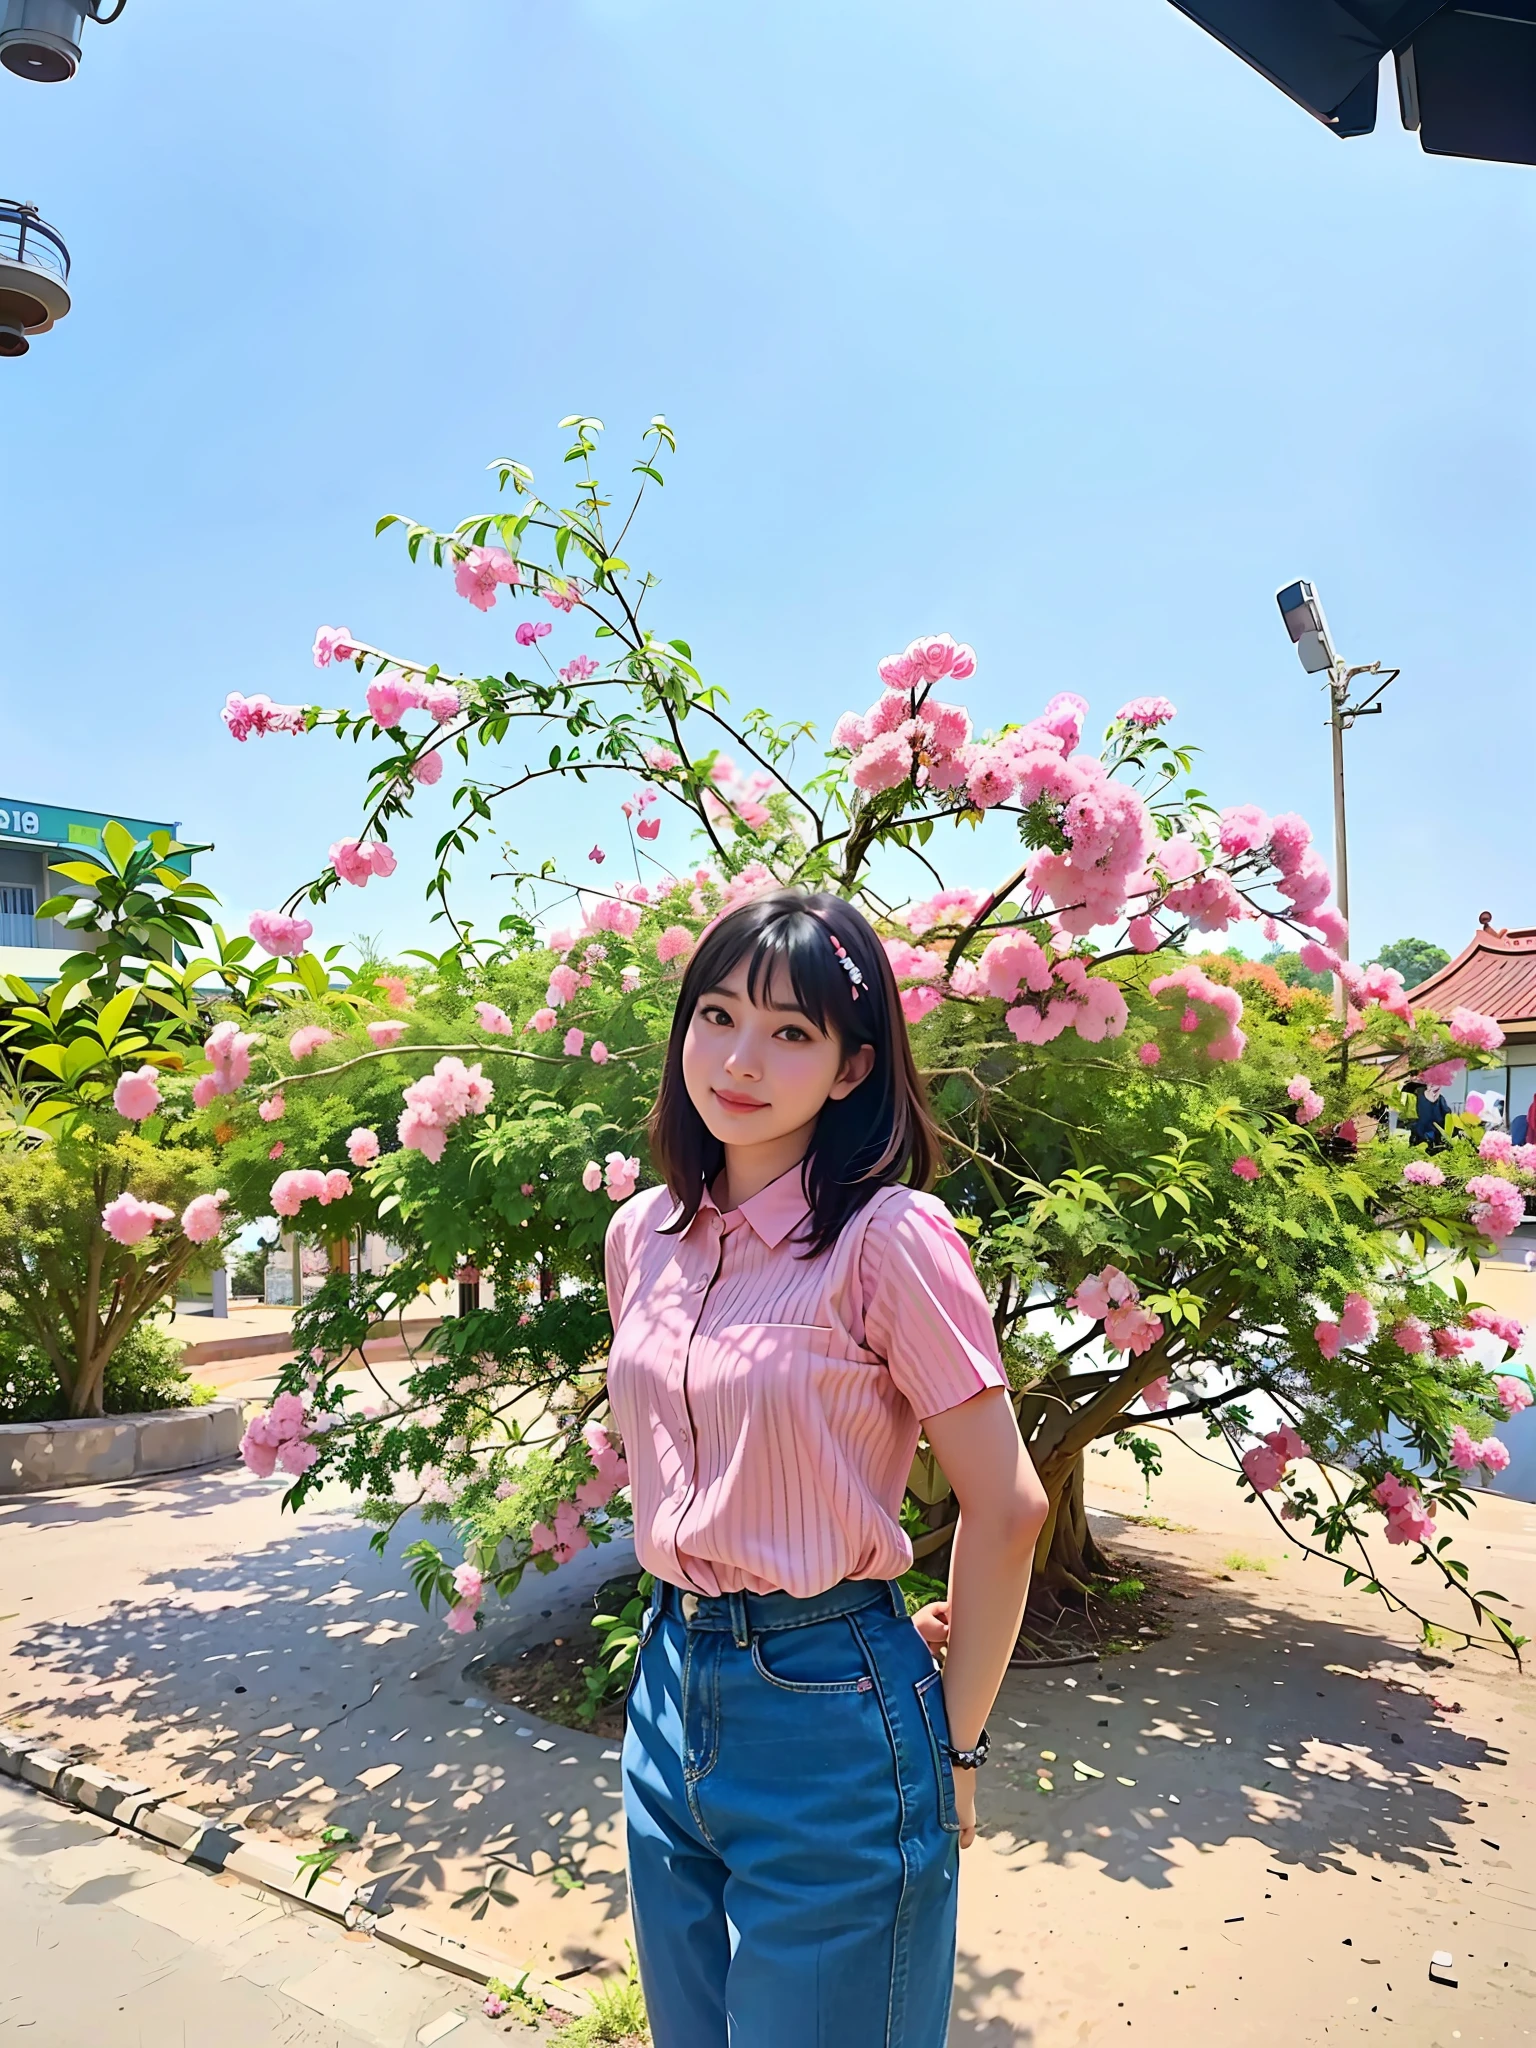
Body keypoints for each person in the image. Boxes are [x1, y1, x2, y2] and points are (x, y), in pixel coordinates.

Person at [606, 889, 1047, 2048]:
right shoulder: (640, 1235)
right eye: (716, 1014)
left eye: (792, 1031)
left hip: (831, 1705)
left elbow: (1007, 1505)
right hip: (667, 1682)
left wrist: (954, 1737)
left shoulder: (886, 1237)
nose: (741, 1058)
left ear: (852, 1068)